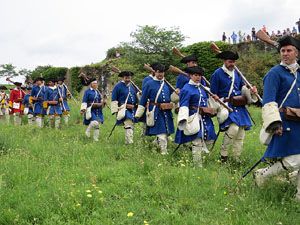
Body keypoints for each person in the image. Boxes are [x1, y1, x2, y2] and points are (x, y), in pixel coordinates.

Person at [254, 36, 300, 201]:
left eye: (289, 50)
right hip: (284, 122)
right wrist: (274, 124)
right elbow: (268, 101)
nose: (285, 54)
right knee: (295, 160)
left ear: (297, 53)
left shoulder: (299, 72)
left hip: (299, 122)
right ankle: (262, 175)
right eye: (283, 51)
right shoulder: (274, 73)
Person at [210, 51, 258, 162]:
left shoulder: (237, 73)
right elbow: (213, 94)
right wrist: (216, 98)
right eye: (230, 62)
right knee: (233, 129)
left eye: (234, 62)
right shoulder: (217, 74)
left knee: (241, 133)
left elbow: (243, 88)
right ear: (224, 61)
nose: (233, 64)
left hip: (239, 106)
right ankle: (224, 155)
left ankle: (236, 157)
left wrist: (251, 91)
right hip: (226, 106)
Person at [175, 66, 217, 168]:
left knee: (210, 139)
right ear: (191, 76)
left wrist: (213, 97)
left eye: (200, 75)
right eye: (196, 75)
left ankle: (194, 150)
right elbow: (184, 105)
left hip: (204, 118)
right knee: (197, 141)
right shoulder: (186, 89)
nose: (198, 77)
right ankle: (197, 165)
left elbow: (206, 100)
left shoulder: (202, 88)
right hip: (193, 118)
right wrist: (183, 119)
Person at [135, 63, 177, 155]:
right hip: (156, 111)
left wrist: (178, 93)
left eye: (162, 72)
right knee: (162, 132)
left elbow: (172, 97)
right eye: (158, 72)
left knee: (165, 132)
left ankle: (156, 143)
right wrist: (138, 114)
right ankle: (164, 152)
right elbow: (143, 100)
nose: (160, 74)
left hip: (166, 111)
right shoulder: (149, 84)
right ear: (155, 72)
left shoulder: (166, 84)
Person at [111, 71, 138, 144]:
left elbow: (137, 95)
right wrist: (115, 111)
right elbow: (114, 99)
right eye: (126, 78)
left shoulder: (132, 86)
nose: (128, 79)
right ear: (123, 78)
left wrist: (140, 94)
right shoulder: (118, 86)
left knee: (131, 124)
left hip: (133, 109)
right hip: (123, 108)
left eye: (129, 78)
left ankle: (127, 141)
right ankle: (130, 142)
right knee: (128, 122)